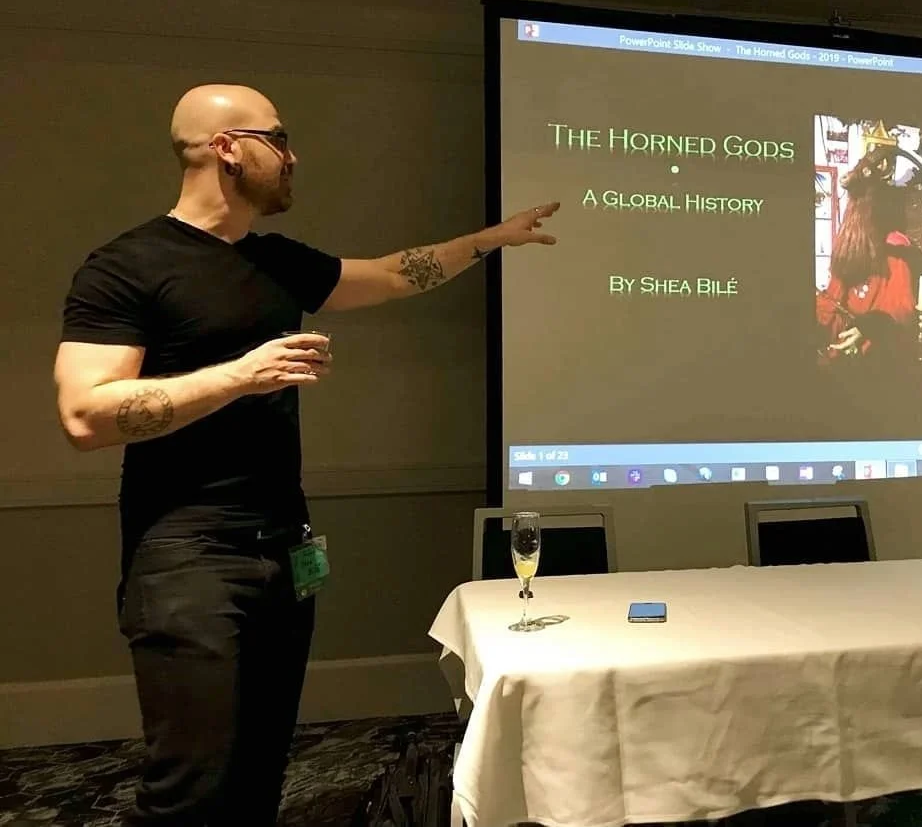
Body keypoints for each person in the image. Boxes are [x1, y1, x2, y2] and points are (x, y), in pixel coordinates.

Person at [53, 83, 558, 826]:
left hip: (285, 548)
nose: (294, 156)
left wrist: (490, 239)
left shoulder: (274, 261)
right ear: (227, 148)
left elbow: (390, 273)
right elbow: (83, 413)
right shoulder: (127, 265)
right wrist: (242, 373)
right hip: (188, 554)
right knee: (192, 786)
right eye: (279, 138)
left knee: (259, 769)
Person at [816, 144, 922, 364]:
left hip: (879, 359)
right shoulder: (850, 246)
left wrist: (868, 327)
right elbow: (831, 302)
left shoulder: (896, 249)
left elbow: (901, 309)